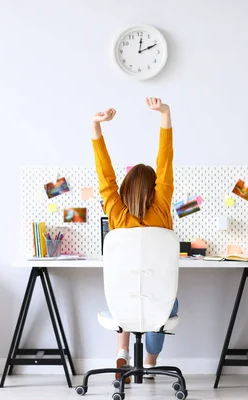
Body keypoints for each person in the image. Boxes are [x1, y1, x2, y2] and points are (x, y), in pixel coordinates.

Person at [91, 97, 178, 382]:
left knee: (125, 291)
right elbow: (165, 160)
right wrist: (164, 114)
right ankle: (151, 363)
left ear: (125, 188)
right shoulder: (163, 206)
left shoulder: (115, 210)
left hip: (123, 301)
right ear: (155, 188)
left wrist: (96, 125)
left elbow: (104, 174)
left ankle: (123, 352)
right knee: (165, 303)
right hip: (157, 303)